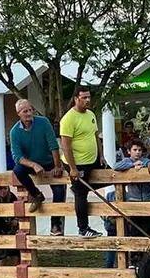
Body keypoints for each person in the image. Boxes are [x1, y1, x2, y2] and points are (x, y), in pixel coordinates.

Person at [9, 99, 66, 235]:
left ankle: (55, 224)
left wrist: (57, 166)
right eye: (25, 111)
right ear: (19, 113)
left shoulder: (43, 122)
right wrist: (33, 164)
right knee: (17, 169)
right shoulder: (14, 132)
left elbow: (53, 144)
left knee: (59, 190)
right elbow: (17, 156)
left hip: (49, 161)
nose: (29, 113)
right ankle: (36, 194)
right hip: (32, 163)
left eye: (30, 110)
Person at [59, 87, 103, 238]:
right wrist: (72, 168)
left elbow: (96, 136)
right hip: (78, 162)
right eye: (84, 98)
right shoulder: (68, 119)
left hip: (93, 159)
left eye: (89, 97)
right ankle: (83, 228)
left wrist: (101, 155)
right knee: (82, 194)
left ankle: (76, 188)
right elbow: (66, 145)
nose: (87, 100)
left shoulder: (90, 115)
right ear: (76, 99)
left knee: (110, 176)